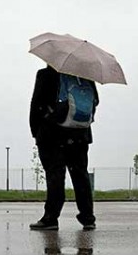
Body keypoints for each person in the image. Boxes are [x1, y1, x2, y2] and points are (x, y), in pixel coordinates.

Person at [29, 65, 98, 231]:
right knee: (80, 175)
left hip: (52, 134)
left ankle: (51, 218)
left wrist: (36, 132)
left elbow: (37, 103)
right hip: (80, 134)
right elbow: (94, 102)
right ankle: (87, 217)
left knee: (55, 175)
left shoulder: (46, 75)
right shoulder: (85, 75)